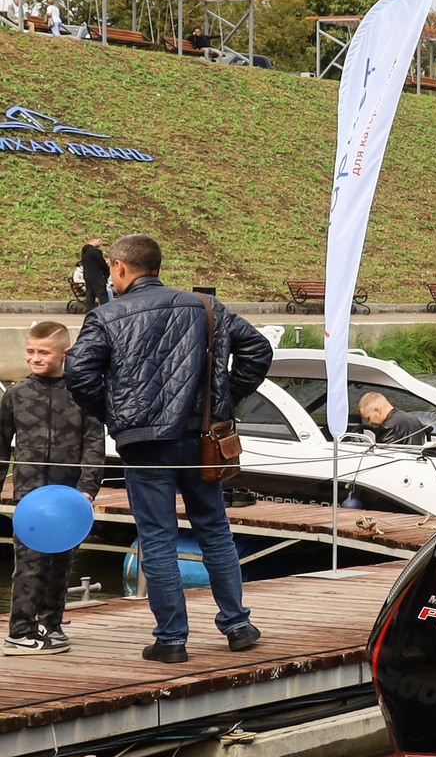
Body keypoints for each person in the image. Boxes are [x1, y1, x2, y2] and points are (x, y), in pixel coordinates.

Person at [65, 234, 272, 663]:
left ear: (119, 267)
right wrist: (221, 400)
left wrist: (117, 415)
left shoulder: (106, 315)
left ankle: (172, 640)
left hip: (144, 443)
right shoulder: (206, 306)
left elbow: (79, 373)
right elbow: (258, 350)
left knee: (157, 537)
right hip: (201, 438)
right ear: (157, 266)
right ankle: (237, 625)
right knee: (214, 529)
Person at [1, 322, 104, 656]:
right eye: (30, 351)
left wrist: (88, 487)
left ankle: (50, 623)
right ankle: (20, 631)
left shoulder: (83, 394)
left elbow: (94, 445)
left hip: (69, 496)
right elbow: (1, 445)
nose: (35, 358)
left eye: (43, 352)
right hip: (30, 497)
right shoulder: (16, 394)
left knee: (62, 561)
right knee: (29, 563)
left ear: (65, 354)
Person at [357, 391, 436, 445]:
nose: (369, 423)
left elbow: (381, 457)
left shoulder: (389, 427)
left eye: (369, 418)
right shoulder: (412, 418)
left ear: (377, 410)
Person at [77, 236, 108, 309]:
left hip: (87, 275)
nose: (101, 243)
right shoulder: (96, 251)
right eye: (99, 241)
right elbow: (101, 263)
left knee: (90, 294)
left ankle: (90, 310)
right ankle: (105, 310)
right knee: (102, 294)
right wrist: (106, 268)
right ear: (94, 240)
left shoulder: (85, 250)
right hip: (97, 276)